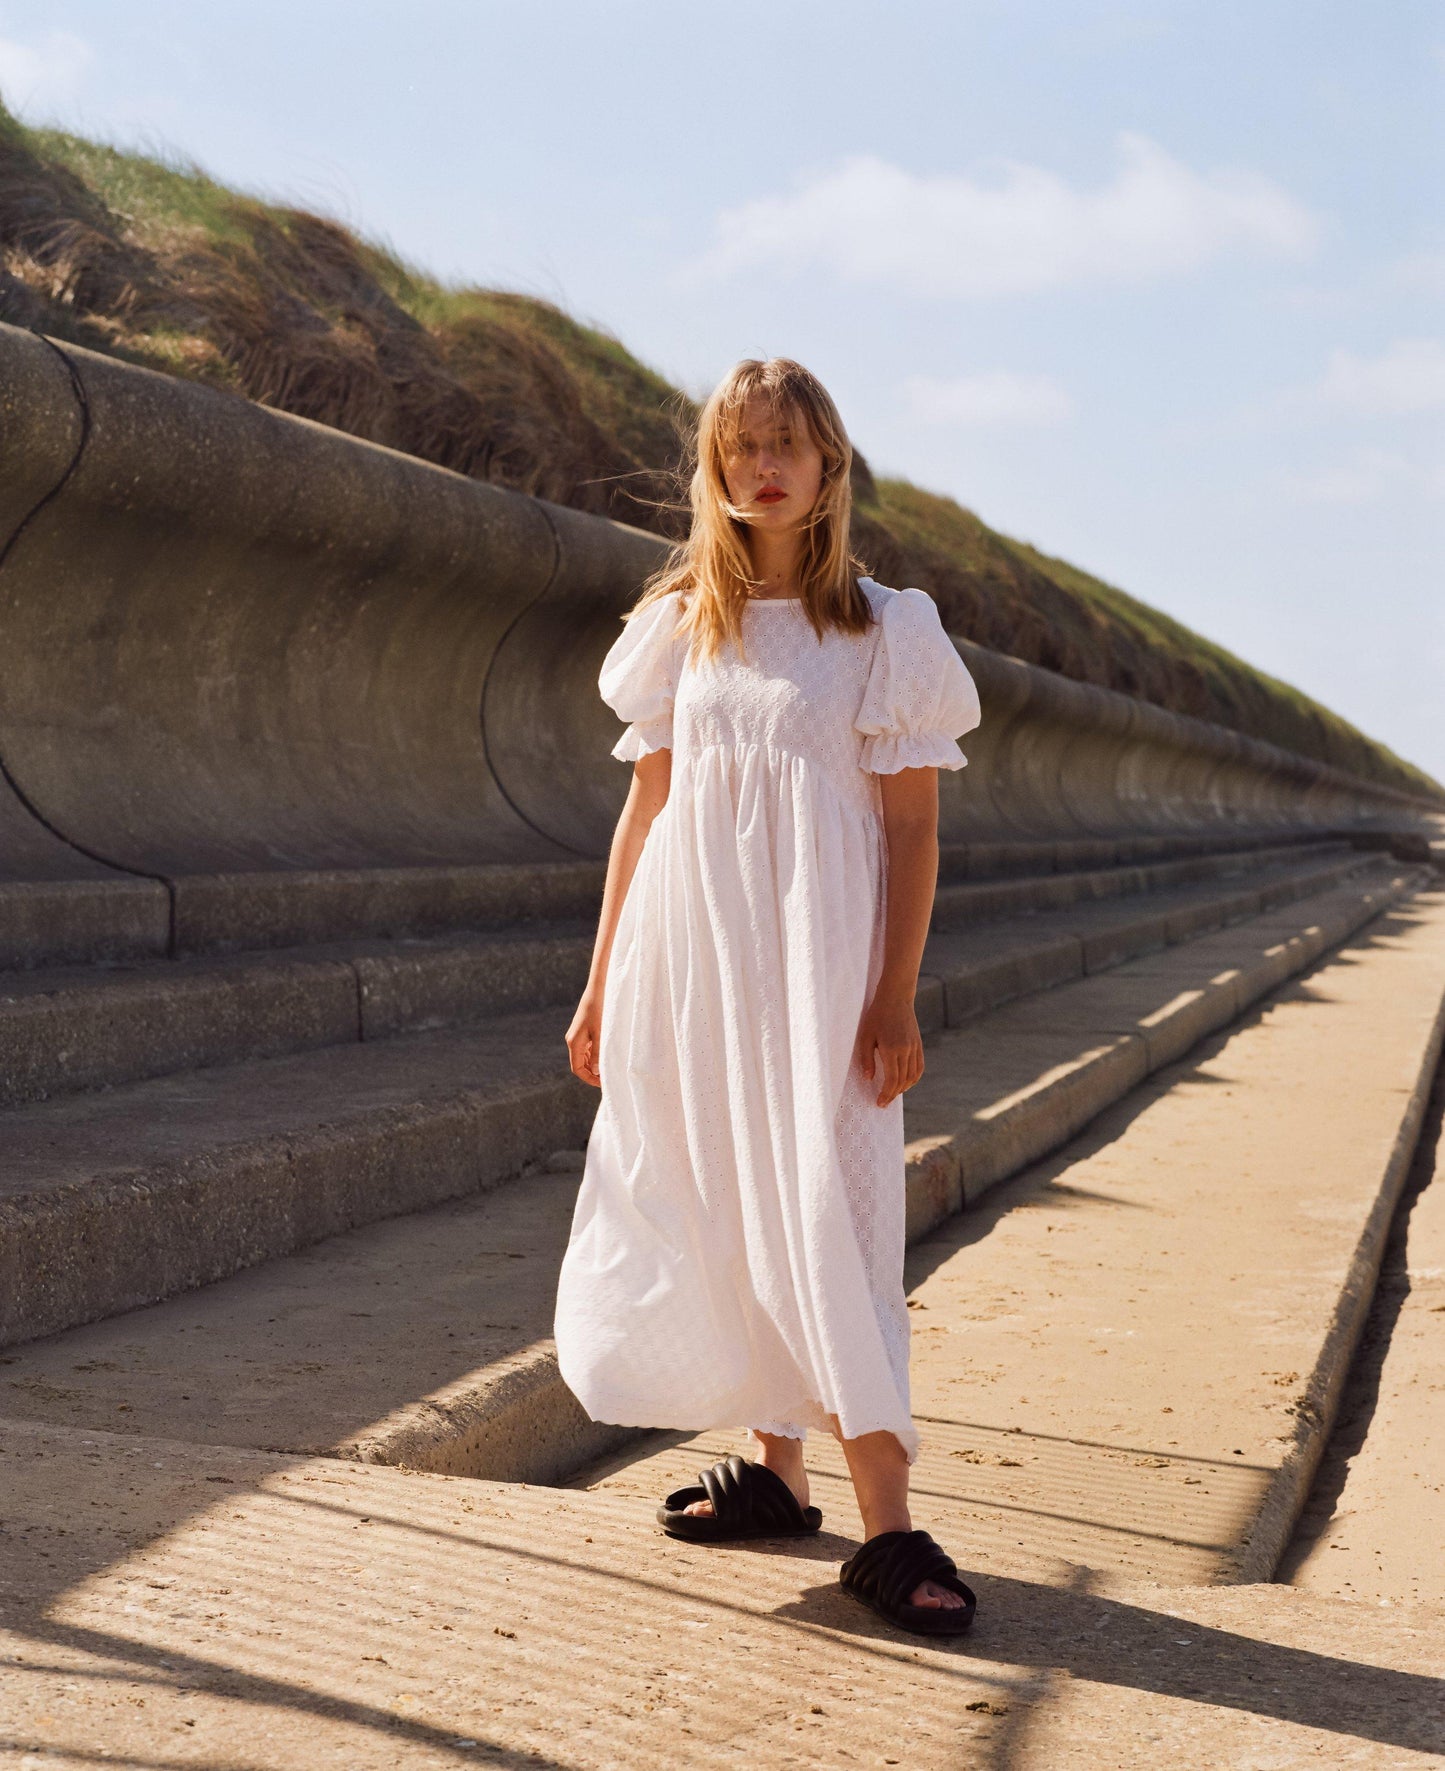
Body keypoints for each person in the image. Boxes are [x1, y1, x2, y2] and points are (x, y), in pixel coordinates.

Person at [555, 356, 983, 1636]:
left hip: (822, 969)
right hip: (697, 964)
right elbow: (648, 814)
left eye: (788, 441)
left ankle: (891, 1527)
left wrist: (894, 997)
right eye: (742, 445)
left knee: (830, 1212)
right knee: (730, 1197)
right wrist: (597, 984)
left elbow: (911, 833)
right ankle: (777, 1479)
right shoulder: (684, 623)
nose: (765, 464)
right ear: (716, 468)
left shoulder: (883, 631)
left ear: (829, 463)